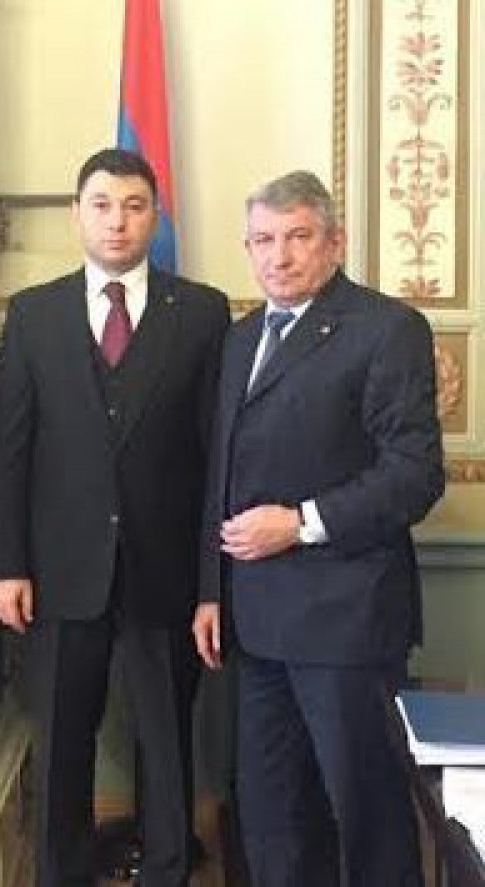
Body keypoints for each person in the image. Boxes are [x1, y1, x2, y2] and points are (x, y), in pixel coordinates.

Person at [0, 147, 230, 887]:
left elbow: (217, 458)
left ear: (155, 217)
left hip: (167, 572)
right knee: (62, 740)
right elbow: (9, 451)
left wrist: (212, 582)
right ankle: (59, 872)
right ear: (77, 214)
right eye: (101, 204)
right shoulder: (34, 314)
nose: (117, 220)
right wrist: (5, 564)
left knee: (167, 738)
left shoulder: (202, 312)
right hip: (59, 572)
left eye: (133, 205)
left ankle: (167, 870)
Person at [193, 170, 445, 887]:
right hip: (254, 622)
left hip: (347, 623)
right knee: (272, 816)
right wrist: (211, 590)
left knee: (366, 815)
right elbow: (222, 471)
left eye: (298, 236)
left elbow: (414, 474)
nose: (280, 255)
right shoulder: (241, 338)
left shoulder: (386, 329)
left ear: (335, 242)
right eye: (263, 240)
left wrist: (301, 523)